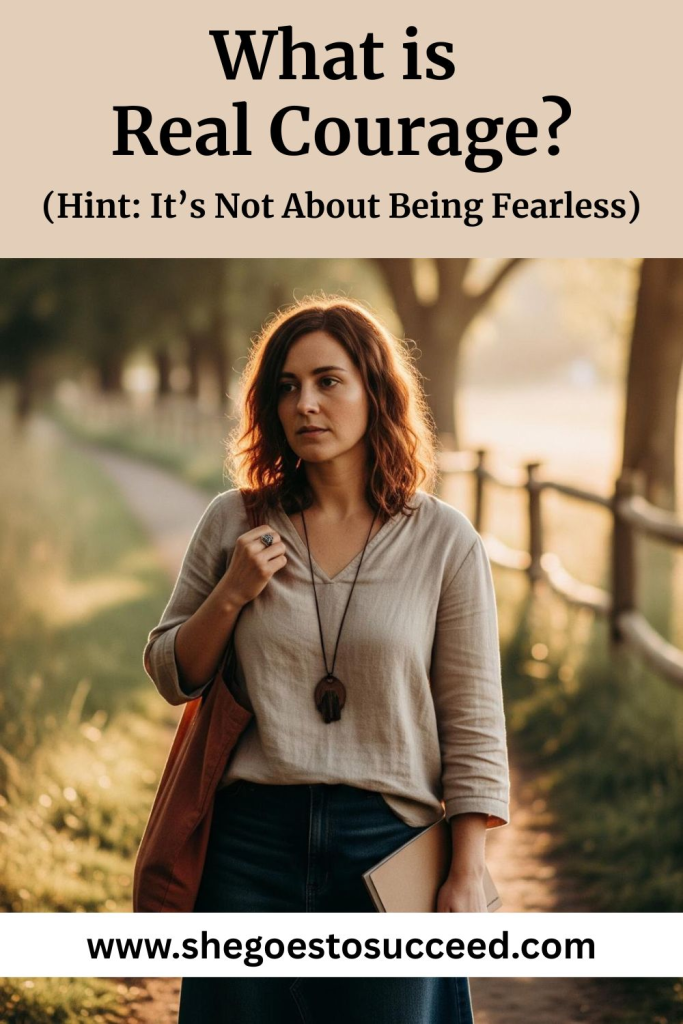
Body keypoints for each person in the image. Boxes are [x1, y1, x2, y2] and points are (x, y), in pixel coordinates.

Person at [143, 297, 510, 1023]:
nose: (304, 403)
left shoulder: (444, 542)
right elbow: (168, 670)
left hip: (389, 845)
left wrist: (466, 872)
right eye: (286, 386)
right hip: (248, 844)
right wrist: (231, 593)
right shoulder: (234, 521)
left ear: (375, 392)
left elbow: (472, 718)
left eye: (327, 381)